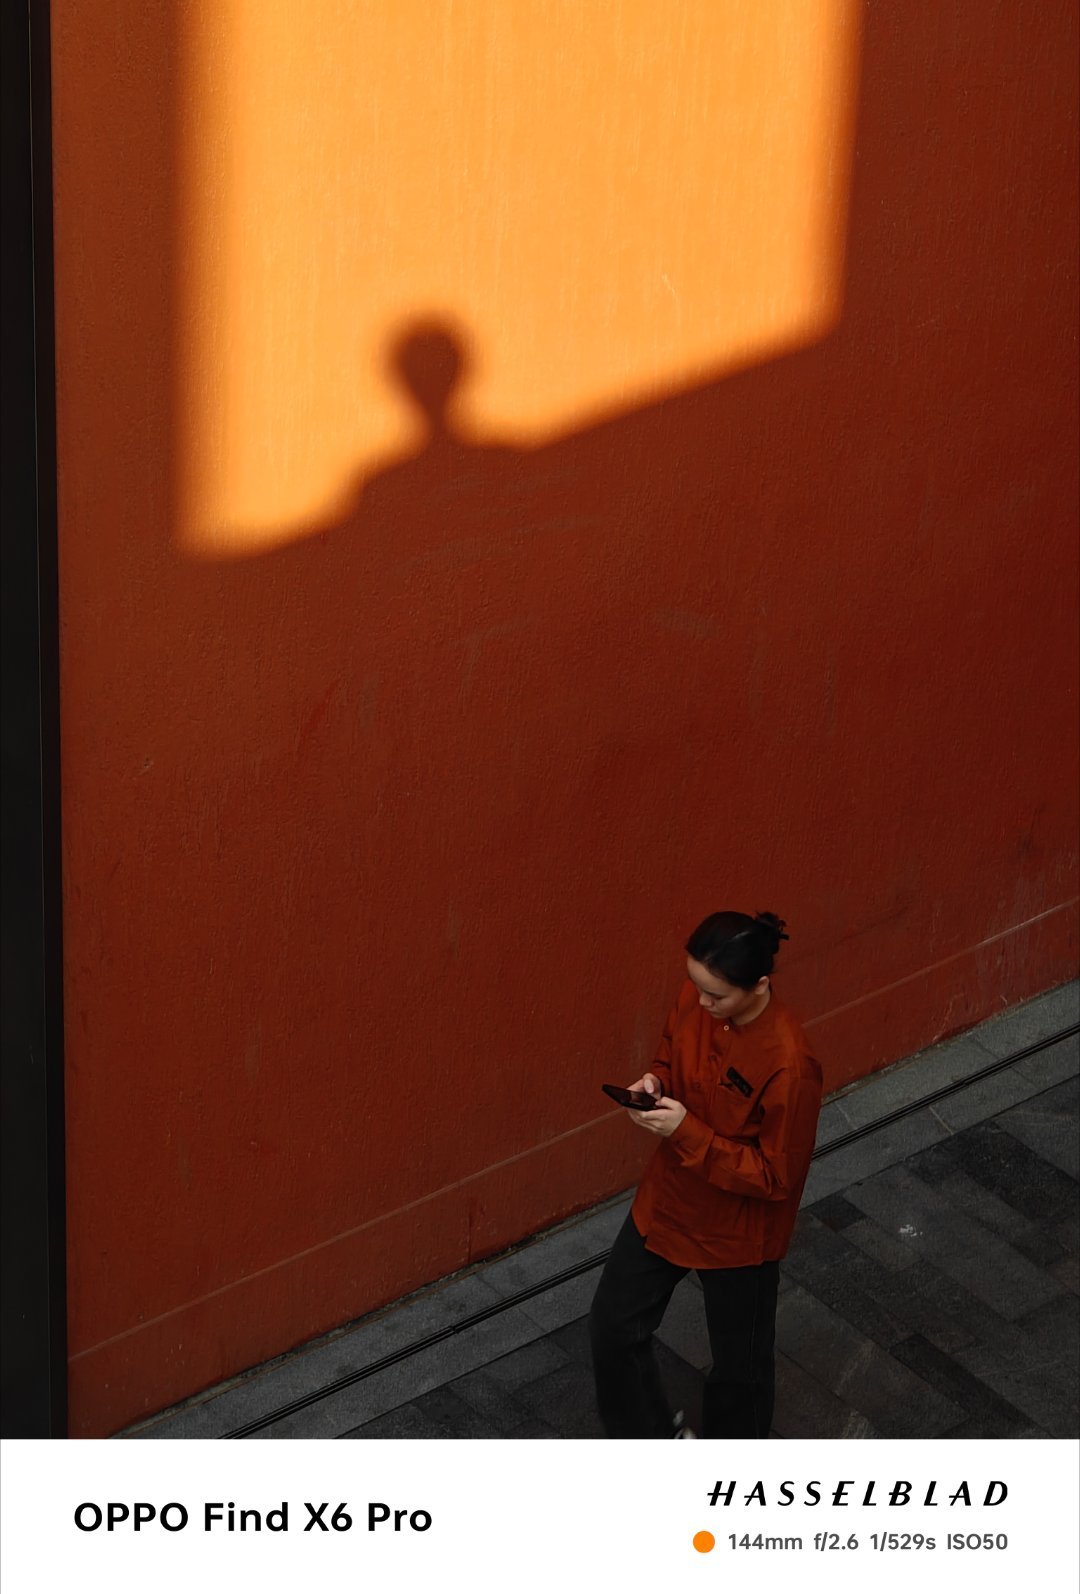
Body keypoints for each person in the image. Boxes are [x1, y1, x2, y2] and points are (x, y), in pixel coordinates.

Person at [589, 910, 822, 1438]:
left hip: (738, 1237)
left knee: (741, 1375)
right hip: (667, 1203)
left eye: (715, 995)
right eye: (695, 986)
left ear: (759, 985)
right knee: (613, 1327)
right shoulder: (696, 999)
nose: (701, 1002)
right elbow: (669, 1055)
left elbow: (775, 1176)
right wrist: (655, 1082)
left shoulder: (790, 1066)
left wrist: (685, 1131)